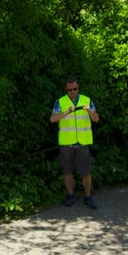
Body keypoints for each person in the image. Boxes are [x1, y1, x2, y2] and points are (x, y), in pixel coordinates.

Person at [49, 77, 100, 208]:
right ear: (66, 89)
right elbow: (53, 119)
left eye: (75, 89)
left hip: (82, 143)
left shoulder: (87, 100)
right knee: (67, 172)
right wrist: (65, 113)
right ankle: (70, 195)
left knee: (86, 172)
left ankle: (88, 197)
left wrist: (90, 111)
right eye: (70, 89)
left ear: (78, 87)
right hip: (67, 143)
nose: (73, 92)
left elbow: (96, 119)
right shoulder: (60, 102)